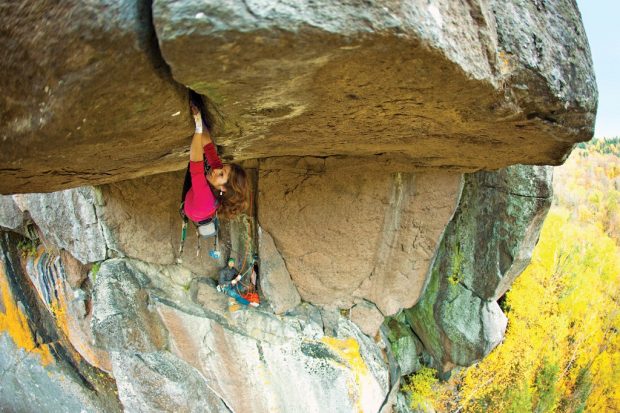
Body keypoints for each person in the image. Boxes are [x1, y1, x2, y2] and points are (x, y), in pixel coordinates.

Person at [181, 92, 250, 237]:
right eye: (223, 168)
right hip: (200, 199)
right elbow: (208, 147)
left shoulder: (204, 198)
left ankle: (200, 220)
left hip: (193, 205)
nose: (217, 169)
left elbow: (195, 162)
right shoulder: (218, 176)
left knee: (199, 166)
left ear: (223, 188)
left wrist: (199, 127)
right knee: (209, 156)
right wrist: (199, 118)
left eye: (221, 174)